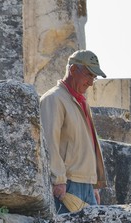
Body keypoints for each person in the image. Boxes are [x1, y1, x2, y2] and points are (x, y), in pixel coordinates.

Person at [39, 50, 108, 214]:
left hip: (86, 186)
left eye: (94, 77)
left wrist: (94, 184)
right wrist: (58, 180)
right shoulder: (53, 99)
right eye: (88, 75)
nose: (91, 82)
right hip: (67, 185)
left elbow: (88, 142)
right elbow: (49, 141)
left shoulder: (81, 101)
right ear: (73, 70)